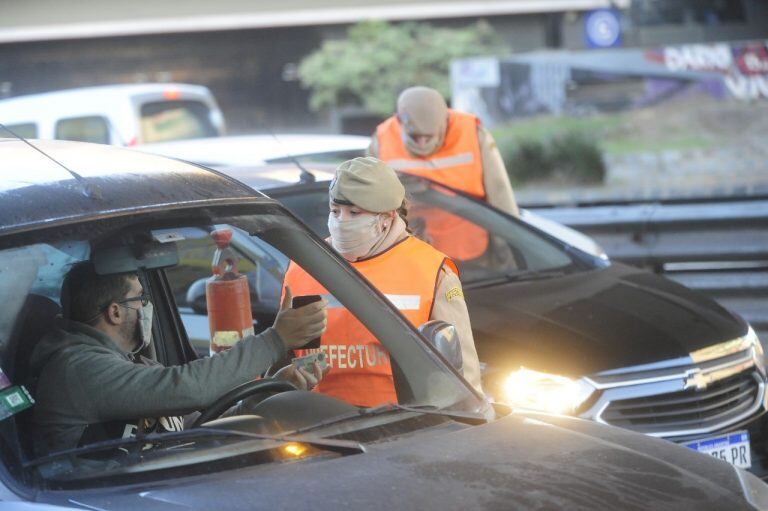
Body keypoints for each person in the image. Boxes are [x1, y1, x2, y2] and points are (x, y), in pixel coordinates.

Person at [30, 262, 328, 454]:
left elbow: (202, 426)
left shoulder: (133, 364)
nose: (148, 308)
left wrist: (270, 390)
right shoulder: (77, 369)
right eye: (141, 299)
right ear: (115, 312)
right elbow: (190, 388)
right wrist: (275, 340)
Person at [282, 157, 482, 408]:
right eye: (335, 211)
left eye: (354, 213)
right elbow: (287, 352)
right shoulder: (304, 265)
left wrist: (469, 423)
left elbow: (464, 372)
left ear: (386, 217)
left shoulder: (430, 270)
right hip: (319, 424)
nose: (342, 221)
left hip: (403, 427)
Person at [369, 86, 519, 217]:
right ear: (400, 122)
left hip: (468, 244)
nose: (422, 143)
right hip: (411, 243)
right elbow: (370, 200)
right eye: (415, 137)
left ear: (445, 122)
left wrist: (509, 245)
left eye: (428, 137)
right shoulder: (382, 139)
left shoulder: (473, 133)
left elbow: (499, 193)